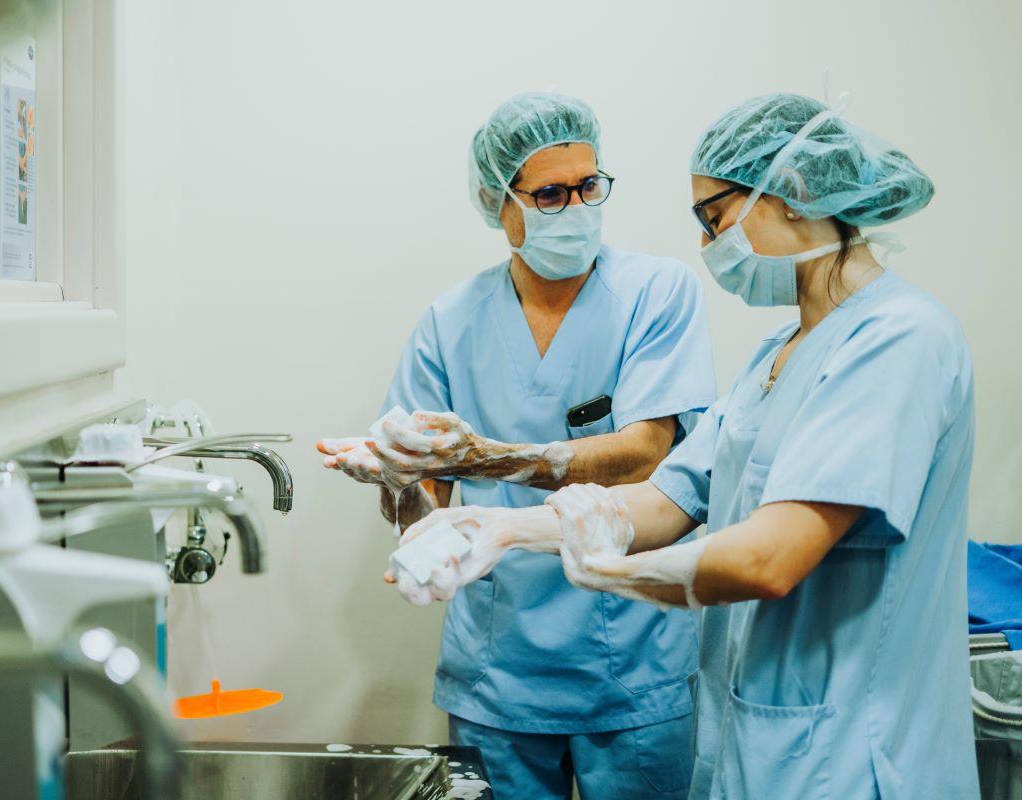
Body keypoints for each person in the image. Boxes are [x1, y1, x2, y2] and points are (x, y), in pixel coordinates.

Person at [396, 92, 978, 799]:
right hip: (759, 740)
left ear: (790, 194)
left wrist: (604, 571)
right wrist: (498, 527)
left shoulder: (899, 339)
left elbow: (769, 559)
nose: (708, 248)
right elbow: (672, 495)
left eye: (715, 218)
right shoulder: (779, 352)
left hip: (855, 754)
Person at [318, 92, 717, 799]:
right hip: (498, 677)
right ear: (498, 202)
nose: (577, 208)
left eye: (590, 186)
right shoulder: (450, 321)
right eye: (551, 194)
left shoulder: (657, 293)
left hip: (630, 663)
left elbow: (649, 451)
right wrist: (395, 476)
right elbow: (423, 512)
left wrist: (486, 458)